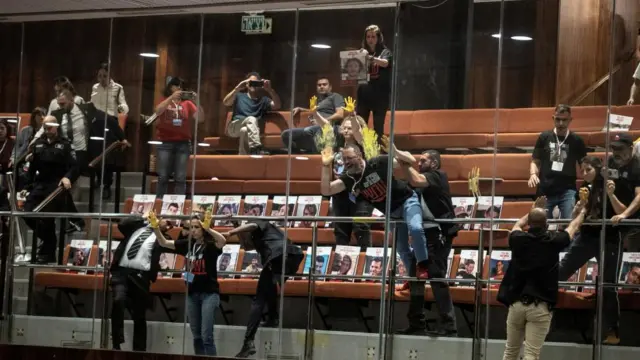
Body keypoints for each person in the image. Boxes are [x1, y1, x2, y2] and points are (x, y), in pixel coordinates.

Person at [559, 135, 640, 345]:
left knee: (607, 284)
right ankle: (544, 310)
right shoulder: (590, 184)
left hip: (611, 236)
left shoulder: (621, 180)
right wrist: (579, 209)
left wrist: (615, 201)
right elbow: (583, 210)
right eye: (583, 171)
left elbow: (625, 209)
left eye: (589, 170)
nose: (616, 153)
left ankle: (613, 330)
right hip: (588, 235)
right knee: (561, 269)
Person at [320, 142, 429, 280]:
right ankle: (413, 277)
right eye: (344, 159)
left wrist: (395, 151)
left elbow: (410, 160)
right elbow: (326, 190)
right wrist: (325, 166)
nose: (346, 162)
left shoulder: (376, 163)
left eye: (350, 158)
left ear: (359, 156)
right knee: (401, 248)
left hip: (407, 200)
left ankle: (423, 265)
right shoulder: (349, 178)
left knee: (416, 228)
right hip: (391, 213)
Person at [499, 196, 585, 360]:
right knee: (531, 354)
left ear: (529, 224)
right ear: (546, 225)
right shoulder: (553, 241)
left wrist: (532, 210)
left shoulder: (517, 239)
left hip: (517, 304)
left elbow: (517, 225)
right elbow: (573, 227)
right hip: (540, 306)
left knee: (510, 351)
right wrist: (582, 213)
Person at [397, 149, 459, 337]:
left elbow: (416, 179)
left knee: (436, 277)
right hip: (423, 234)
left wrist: (403, 161)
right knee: (416, 277)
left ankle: (449, 325)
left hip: (438, 233)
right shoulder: (418, 180)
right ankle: (416, 322)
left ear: (434, 163)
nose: (419, 163)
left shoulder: (438, 176)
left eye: (423, 160)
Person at [223, 220, 303, 358]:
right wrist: (237, 228)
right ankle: (272, 317)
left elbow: (253, 225)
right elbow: (246, 246)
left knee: (259, 299)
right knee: (269, 287)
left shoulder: (261, 224)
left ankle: (248, 341)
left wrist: (232, 232)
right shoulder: (259, 238)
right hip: (286, 258)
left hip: (279, 256)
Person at [152, 211, 226, 356]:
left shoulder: (210, 245)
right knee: (196, 336)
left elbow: (222, 241)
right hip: (191, 293)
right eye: (191, 227)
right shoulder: (188, 244)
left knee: (206, 336)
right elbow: (163, 242)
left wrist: (209, 229)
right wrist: (155, 228)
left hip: (209, 294)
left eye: (197, 227)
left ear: (203, 228)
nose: (193, 230)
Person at [110, 213, 173, 352]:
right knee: (118, 300)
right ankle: (116, 343)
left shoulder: (162, 239)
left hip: (141, 277)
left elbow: (177, 245)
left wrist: (159, 229)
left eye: (166, 223)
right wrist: (144, 219)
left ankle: (139, 351)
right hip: (122, 273)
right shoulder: (135, 227)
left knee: (139, 315)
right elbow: (122, 224)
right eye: (161, 218)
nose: (163, 222)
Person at [21, 116, 79, 264]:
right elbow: (32, 169)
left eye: (51, 126)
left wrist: (68, 178)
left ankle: (48, 253)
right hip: (40, 184)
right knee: (27, 213)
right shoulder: (38, 144)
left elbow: (74, 166)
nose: (48, 129)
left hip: (57, 184)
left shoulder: (65, 144)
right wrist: (26, 187)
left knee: (47, 218)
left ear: (56, 126)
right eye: (45, 126)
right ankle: (48, 241)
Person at [528, 104, 587, 221]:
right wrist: (533, 174)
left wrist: (588, 176)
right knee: (540, 223)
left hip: (567, 189)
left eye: (564, 120)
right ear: (553, 118)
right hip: (545, 189)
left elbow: (584, 164)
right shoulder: (544, 137)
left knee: (570, 222)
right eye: (558, 119)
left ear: (570, 120)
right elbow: (535, 161)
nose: (561, 123)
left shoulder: (577, 140)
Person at [154, 76, 203, 198]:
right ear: (171, 87)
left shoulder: (187, 103)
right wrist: (171, 98)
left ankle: (179, 205)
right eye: (177, 85)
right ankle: (159, 204)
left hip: (183, 143)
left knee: (180, 177)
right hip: (165, 143)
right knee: (163, 176)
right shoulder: (164, 100)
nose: (180, 88)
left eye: (182, 86)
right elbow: (157, 111)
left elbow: (200, 118)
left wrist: (197, 101)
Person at [329, 115, 373, 249]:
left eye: (350, 128)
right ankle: (341, 258)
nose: (347, 130)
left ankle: (366, 258)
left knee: (361, 226)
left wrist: (353, 117)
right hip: (341, 193)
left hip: (361, 194)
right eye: (344, 127)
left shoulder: (365, 146)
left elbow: (360, 135)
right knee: (341, 229)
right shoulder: (338, 147)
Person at [280, 77, 345, 153]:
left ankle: (316, 156)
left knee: (309, 131)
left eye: (324, 84)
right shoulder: (317, 100)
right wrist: (302, 109)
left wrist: (323, 121)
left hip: (328, 127)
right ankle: (298, 156)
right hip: (314, 128)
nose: (321, 87)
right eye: (319, 85)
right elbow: (315, 111)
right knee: (286, 134)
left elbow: (340, 114)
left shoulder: (335, 96)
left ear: (330, 87)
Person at [223, 72, 281, 155]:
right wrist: (237, 88)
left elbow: (277, 105)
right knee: (251, 118)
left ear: (260, 85)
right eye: (251, 82)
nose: (253, 85)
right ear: (246, 84)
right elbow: (226, 102)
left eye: (256, 83)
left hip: (250, 129)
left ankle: (243, 160)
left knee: (244, 130)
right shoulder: (239, 96)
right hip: (234, 127)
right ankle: (257, 147)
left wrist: (270, 90)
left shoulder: (263, 100)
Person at [85, 102, 130, 200]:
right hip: (93, 143)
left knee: (107, 164)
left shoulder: (104, 117)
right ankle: (99, 180)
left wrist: (123, 139)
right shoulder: (85, 116)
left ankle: (106, 186)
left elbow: (116, 128)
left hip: (107, 144)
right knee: (95, 164)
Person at [356, 25, 392, 139]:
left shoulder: (385, 51)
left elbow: (385, 63)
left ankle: (377, 153)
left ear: (378, 38)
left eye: (373, 37)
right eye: (368, 37)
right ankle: (361, 152)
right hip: (364, 94)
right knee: (361, 126)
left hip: (380, 95)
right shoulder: (362, 52)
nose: (370, 39)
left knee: (378, 128)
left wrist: (370, 58)